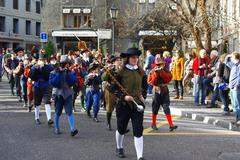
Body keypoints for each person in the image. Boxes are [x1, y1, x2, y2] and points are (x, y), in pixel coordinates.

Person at [113, 48, 145, 160]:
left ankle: (139, 156)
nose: (135, 59)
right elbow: (112, 88)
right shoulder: (120, 72)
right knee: (121, 128)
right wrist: (124, 96)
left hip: (137, 105)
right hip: (123, 105)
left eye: (136, 57)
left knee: (138, 130)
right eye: (133, 57)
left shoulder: (140, 71)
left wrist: (142, 95)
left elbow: (144, 86)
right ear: (128, 59)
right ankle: (119, 147)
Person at [49, 55, 78, 136]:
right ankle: (57, 127)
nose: (67, 65)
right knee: (58, 111)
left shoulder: (70, 72)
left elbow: (73, 81)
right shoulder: (54, 72)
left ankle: (72, 129)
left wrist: (68, 73)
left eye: (68, 63)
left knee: (69, 111)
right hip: (58, 93)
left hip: (68, 93)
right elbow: (53, 83)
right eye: (66, 64)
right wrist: (59, 73)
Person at [148, 54, 178, 131]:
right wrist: (155, 74)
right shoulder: (152, 72)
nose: (161, 66)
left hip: (164, 90)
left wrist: (161, 72)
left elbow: (168, 78)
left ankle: (171, 125)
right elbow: (151, 82)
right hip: (156, 90)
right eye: (159, 64)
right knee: (155, 108)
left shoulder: (166, 71)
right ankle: (153, 123)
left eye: (162, 64)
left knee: (166, 107)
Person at [28, 53, 54, 125]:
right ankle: (37, 118)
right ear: (38, 60)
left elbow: (49, 75)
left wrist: (43, 68)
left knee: (47, 102)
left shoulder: (49, 67)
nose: (41, 61)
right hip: (37, 86)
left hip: (46, 86)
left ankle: (49, 119)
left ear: (45, 60)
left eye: (43, 60)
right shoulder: (34, 67)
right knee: (37, 103)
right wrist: (35, 68)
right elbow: (31, 76)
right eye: (40, 60)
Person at [101, 56, 121, 130]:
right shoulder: (110, 70)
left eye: (120, 60)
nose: (119, 61)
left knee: (120, 108)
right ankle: (108, 123)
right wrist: (107, 70)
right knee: (110, 107)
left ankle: (121, 125)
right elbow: (103, 78)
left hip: (119, 91)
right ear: (113, 62)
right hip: (111, 90)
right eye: (118, 60)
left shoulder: (121, 69)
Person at [225, 52, 240, 125]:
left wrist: (237, 84)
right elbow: (226, 62)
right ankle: (237, 119)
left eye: (232, 57)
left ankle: (239, 119)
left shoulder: (238, 65)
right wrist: (228, 55)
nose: (230, 58)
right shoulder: (233, 65)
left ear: (234, 57)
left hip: (236, 87)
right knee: (234, 105)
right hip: (232, 87)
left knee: (237, 104)